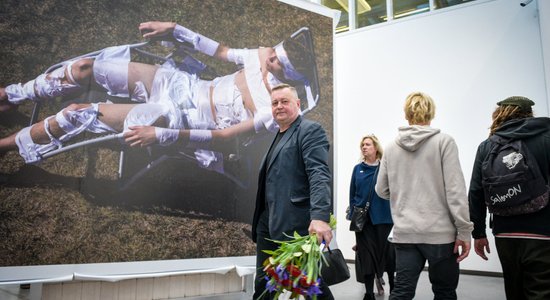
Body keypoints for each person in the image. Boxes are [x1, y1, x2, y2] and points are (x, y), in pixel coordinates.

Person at [0, 21, 315, 174]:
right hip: (181, 85)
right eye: (272, 52)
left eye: (274, 61)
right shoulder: (262, 56)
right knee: (85, 68)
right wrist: (176, 29)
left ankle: (4, 147)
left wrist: (162, 134)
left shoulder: (274, 107)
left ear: (290, 74)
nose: (267, 59)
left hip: (180, 119)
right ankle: (13, 96)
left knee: (76, 112)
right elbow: (221, 52)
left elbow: (223, 137)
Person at [375, 91, 473, 300]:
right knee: (445, 292)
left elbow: (381, 189)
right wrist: (464, 230)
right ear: (432, 113)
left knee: (401, 292)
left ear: (406, 114)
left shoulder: (392, 147)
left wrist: (403, 193)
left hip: (405, 233)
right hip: (441, 236)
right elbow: (455, 191)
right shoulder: (444, 142)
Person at [251, 83, 333, 299]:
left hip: (295, 225)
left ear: (297, 104)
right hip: (268, 224)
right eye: (275, 102)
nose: (279, 106)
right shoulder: (277, 135)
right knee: (263, 282)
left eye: (284, 101)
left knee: (309, 284)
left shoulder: (309, 130)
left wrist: (320, 217)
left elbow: (319, 174)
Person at [468, 96, 550, 300]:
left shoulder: (487, 146)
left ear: (500, 114)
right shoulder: (546, 138)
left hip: (505, 233)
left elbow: (476, 192)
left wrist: (478, 233)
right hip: (543, 231)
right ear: (529, 113)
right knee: (542, 291)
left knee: (514, 291)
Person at [348, 134, 394, 300]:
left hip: (384, 219)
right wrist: (353, 213)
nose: (364, 147)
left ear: (376, 148)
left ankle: (393, 288)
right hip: (363, 222)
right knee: (365, 257)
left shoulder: (385, 168)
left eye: (368, 144)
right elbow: (352, 194)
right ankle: (369, 293)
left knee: (387, 256)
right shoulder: (357, 169)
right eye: (362, 145)